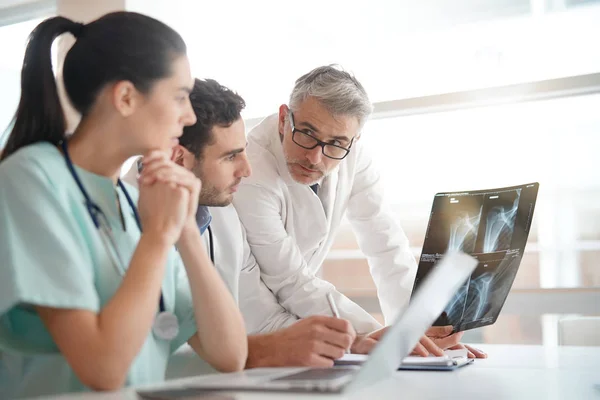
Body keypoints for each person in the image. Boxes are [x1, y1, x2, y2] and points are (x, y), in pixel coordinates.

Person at [124, 78, 467, 370]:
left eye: (335, 144)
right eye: (231, 156)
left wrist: (365, 339)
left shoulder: (219, 210)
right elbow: (164, 350)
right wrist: (359, 336)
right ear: (284, 120)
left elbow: (257, 314)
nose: (245, 169)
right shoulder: (133, 218)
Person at [0, 13, 246, 398]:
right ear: (126, 97)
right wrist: (157, 238)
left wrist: (184, 233)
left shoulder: (136, 201)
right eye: (180, 96)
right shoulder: (30, 180)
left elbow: (229, 353)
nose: (190, 115)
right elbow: (103, 368)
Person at [232, 65, 486, 358]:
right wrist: (378, 337)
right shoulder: (252, 170)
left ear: (354, 141)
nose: (314, 157)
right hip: (251, 329)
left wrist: (419, 329)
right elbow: (289, 279)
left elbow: (386, 247)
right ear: (282, 119)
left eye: (336, 143)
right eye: (306, 133)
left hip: (301, 316)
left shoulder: (354, 159)